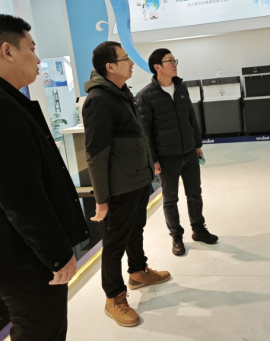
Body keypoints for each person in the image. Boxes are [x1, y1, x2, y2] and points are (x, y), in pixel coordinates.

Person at [0, 14, 89, 341]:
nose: (38, 60)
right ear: (8, 51)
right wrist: (57, 253)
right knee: (41, 330)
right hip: (22, 254)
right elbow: (21, 195)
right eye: (32, 48)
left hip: (15, 249)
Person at [83, 41, 171, 327]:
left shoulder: (121, 93)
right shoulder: (99, 99)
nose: (132, 63)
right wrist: (101, 199)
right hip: (119, 187)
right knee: (114, 243)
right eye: (125, 59)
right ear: (110, 67)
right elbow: (96, 154)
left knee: (136, 230)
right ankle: (114, 297)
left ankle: (138, 271)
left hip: (137, 180)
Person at [137, 49, 218, 257]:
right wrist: (153, 159)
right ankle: (176, 236)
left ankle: (198, 229)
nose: (175, 64)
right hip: (167, 157)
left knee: (195, 194)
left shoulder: (181, 88)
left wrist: (197, 143)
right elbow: (145, 132)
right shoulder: (145, 96)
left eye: (175, 60)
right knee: (170, 199)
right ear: (157, 67)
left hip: (189, 152)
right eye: (170, 61)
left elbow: (191, 117)